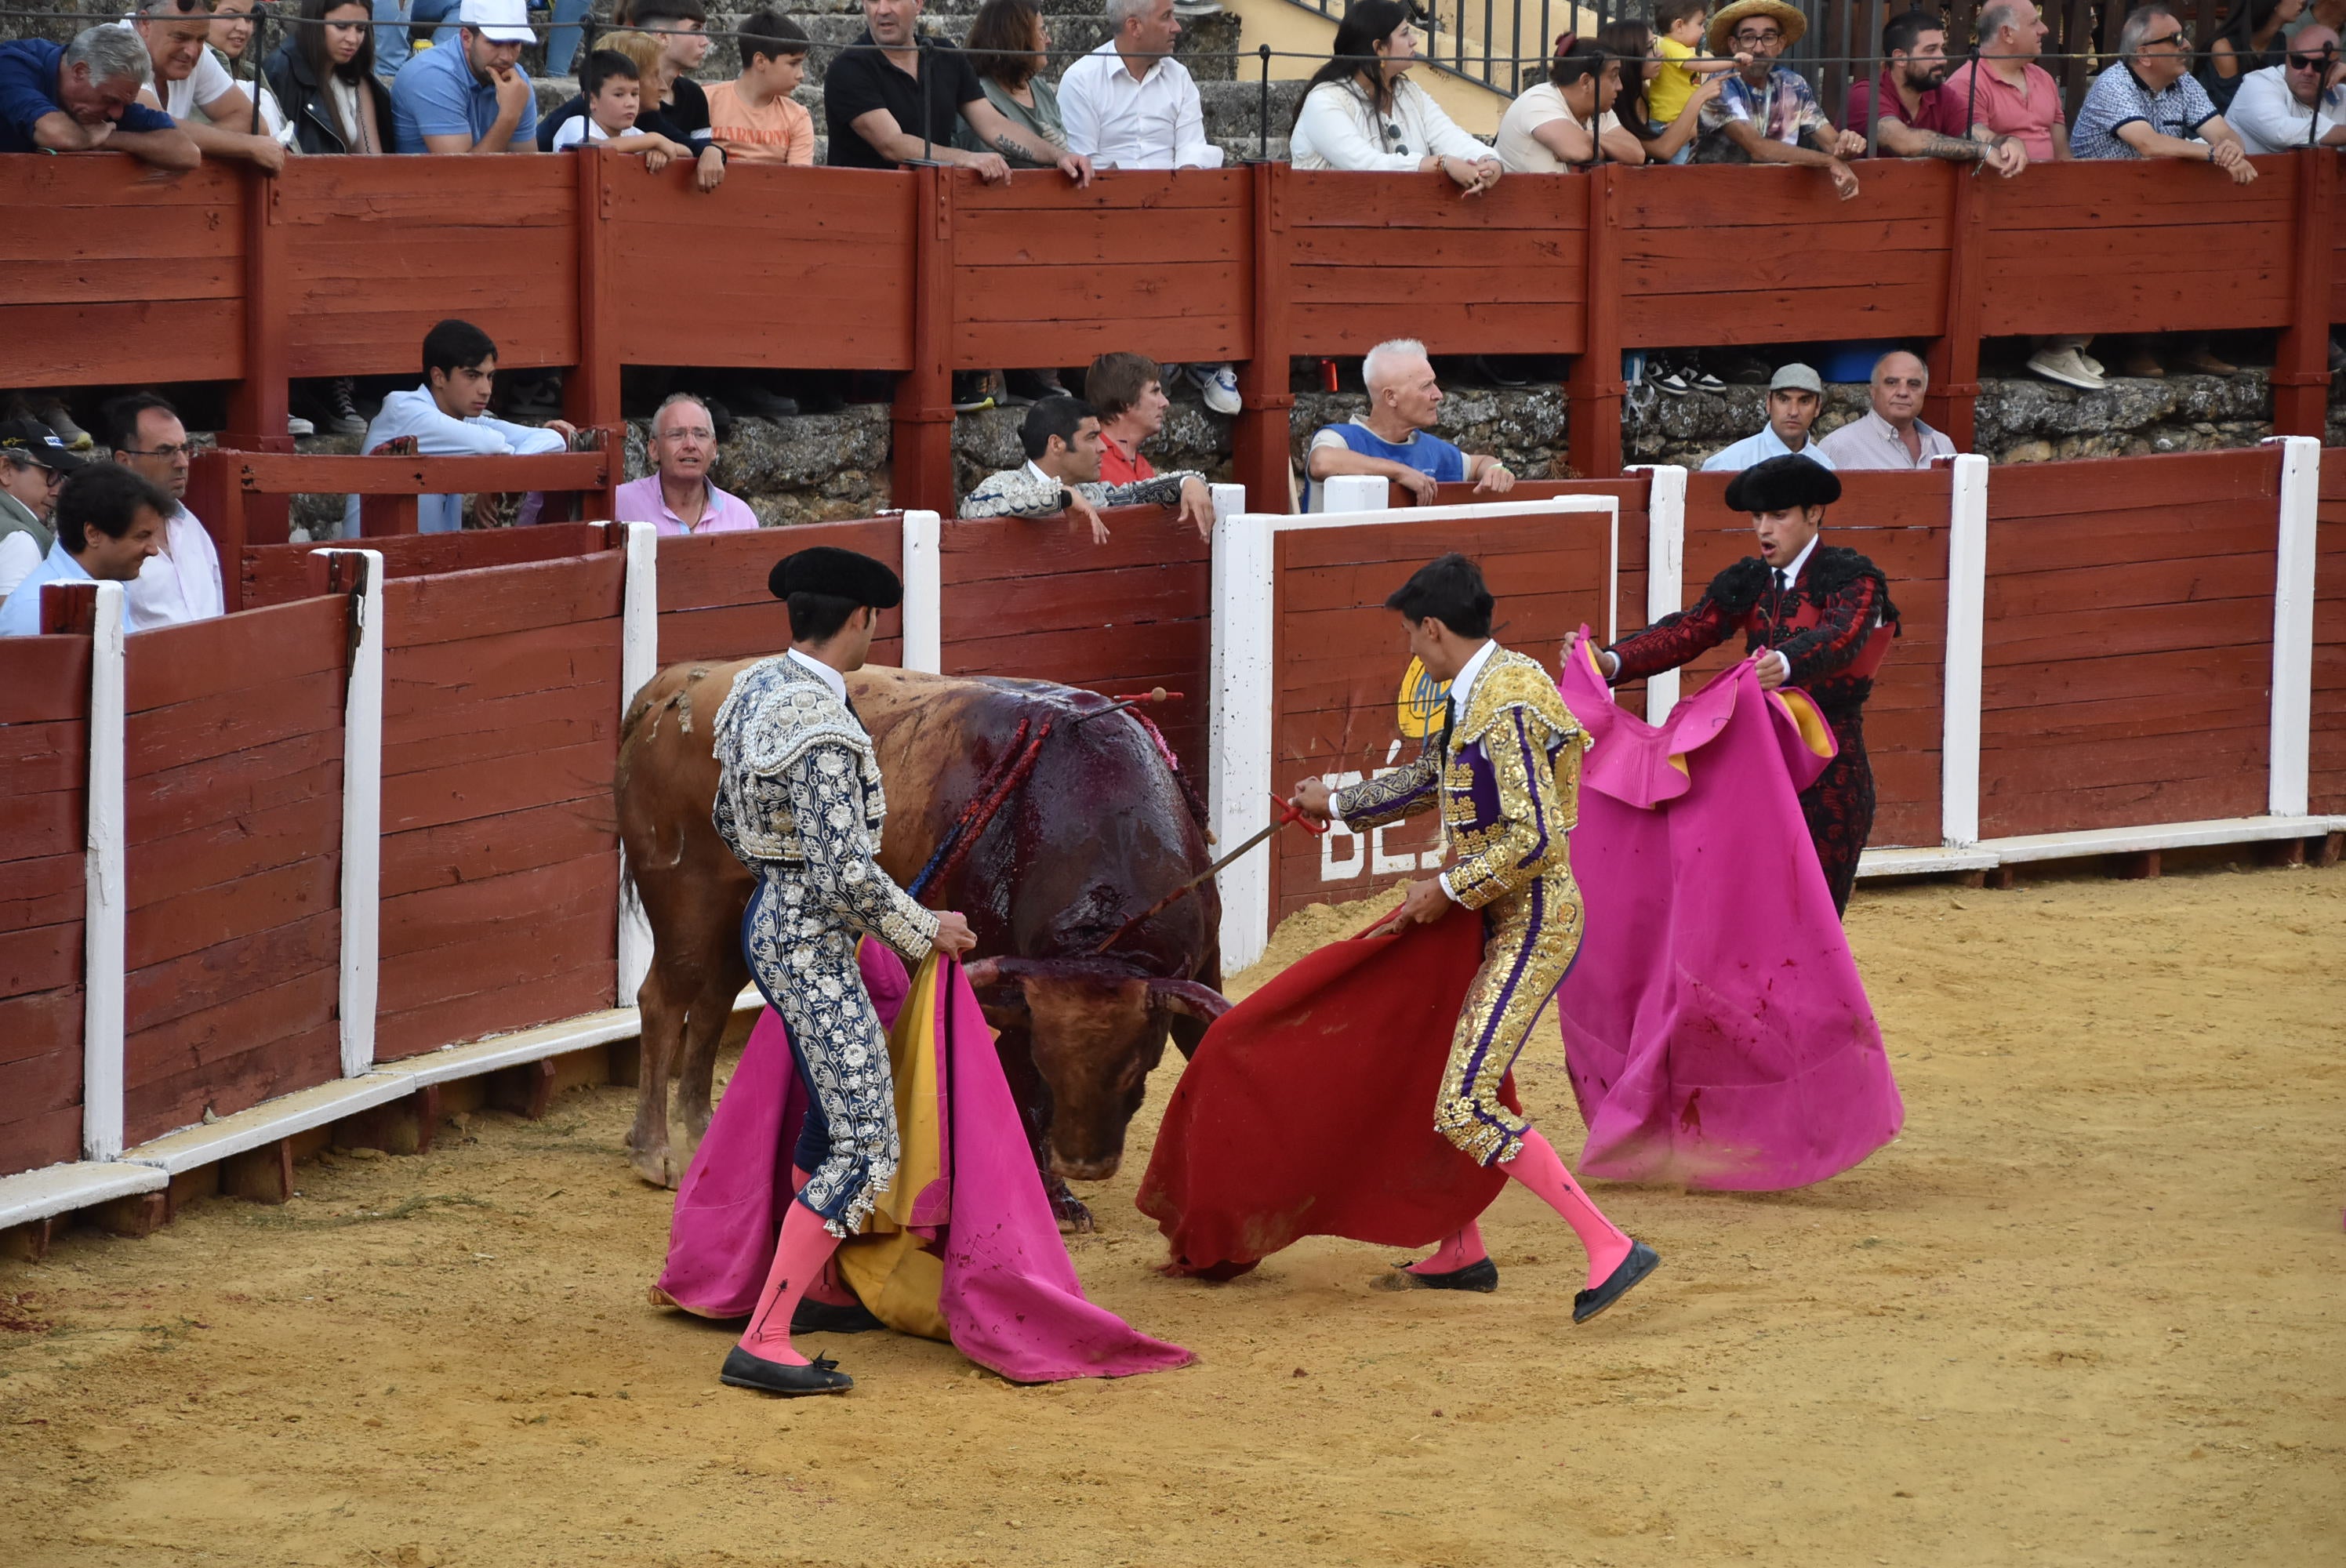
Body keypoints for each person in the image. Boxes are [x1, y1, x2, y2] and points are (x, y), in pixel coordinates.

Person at [1284, 554, 1661, 1319]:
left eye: (1411, 639)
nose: (1410, 654)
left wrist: (1445, 887)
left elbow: (1532, 838)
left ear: (1432, 628)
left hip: (1532, 917)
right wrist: (1339, 802)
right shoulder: (1481, 688)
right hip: (1488, 912)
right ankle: (1461, 1246)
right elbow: (1432, 777)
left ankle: (1610, 1245)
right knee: (1433, 1068)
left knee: (1462, 1101)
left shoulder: (1508, 700)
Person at [710, 546, 979, 1396]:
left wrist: (776, 870)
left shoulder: (755, 689)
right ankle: (767, 1333)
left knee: (835, 1120)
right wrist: (921, 928)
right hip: (810, 936)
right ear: (860, 620)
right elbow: (841, 873)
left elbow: (728, 814)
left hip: (776, 916)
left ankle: (816, 1289)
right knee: (865, 1142)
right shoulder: (822, 726)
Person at [1581, 456, 1897, 915]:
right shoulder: (1750, 581)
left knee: (1814, 916)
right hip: (1755, 772)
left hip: (1830, 771)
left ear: (1814, 514)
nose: (1764, 529)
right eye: (1757, 517)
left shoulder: (1853, 578)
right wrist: (1611, 661)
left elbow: (1844, 636)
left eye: (1779, 516)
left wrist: (1787, 663)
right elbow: (1688, 631)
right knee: (1744, 911)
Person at [1058, 0, 1237, 415]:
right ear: (1134, 26)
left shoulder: (1179, 76)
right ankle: (1169, 367)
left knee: (1228, 226)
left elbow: (1192, 145)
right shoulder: (1082, 78)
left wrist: (1183, 182)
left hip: (1173, 210)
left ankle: (1208, 364)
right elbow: (1083, 163)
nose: (1177, 27)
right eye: (1167, 18)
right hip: (1105, 217)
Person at [1943, 2, 2099, 390]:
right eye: (2036, 23)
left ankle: (2067, 346)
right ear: (2007, 34)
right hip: (1999, 210)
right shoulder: (1967, 83)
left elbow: (2061, 153)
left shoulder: (2043, 78)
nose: (2046, 29)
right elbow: (1974, 140)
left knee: (2107, 240)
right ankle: (2059, 347)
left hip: (2050, 204)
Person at [341, 318, 578, 537]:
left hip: (423, 568)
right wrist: (496, 476)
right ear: (439, 377)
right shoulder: (405, 410)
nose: (486, 389)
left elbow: (551, 440)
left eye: (490, 377)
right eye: (472, 376)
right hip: (372, 573)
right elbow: (490, 444)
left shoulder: (467, 419)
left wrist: (499, 479)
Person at [823, 0, 1091, 185]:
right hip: (863, 211)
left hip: (933, 204)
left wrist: (1059, 156)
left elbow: (994, 124)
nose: (882, 10)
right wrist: (966, 159)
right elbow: (892, 143)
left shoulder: (945, 56)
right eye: (872, 1)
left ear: (918, 3)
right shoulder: (849, 68)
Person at [1290, 0, 1501, 196]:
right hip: (1326, 228)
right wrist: (1441, 162)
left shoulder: (1409, 94)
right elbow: (1366, 166)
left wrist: (1489, 162)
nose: (1414, 41)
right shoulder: (1325, 101)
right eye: (1405, 34)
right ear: (1379, 48)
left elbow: (1452, 138)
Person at [959, 395, 1214, 542]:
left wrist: (1187, 482)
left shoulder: (1092, 493)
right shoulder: (1007, 483)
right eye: (1092, 438)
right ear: (1056, 444)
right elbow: (975, 506)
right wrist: (1062, 497)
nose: (1103, 448)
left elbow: (1139, 492)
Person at [1306, 339, 1515, 510]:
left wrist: (1496, 468)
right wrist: (1400, 472)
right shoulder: (1340, 438)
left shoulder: (1432, 449)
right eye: (1426, 386)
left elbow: (1480, 464)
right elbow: (1322, 463)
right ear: (1390, 397)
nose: (1438, 395)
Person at [1693, 0, 1865, 199]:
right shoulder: (1721, 84)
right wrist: (1829, 161)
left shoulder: (1793, 84)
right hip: (1720, 196)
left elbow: (1832, 143)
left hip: (1781, 197)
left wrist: (1847, 144)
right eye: (1749, 38)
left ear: (1781, 44)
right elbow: (1759, 149)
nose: (1758, 48)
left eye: (1768, 37)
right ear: (1734, 45)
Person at [0, 465, 172, 639]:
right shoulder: (35, 609)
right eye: (142, 536)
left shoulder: (112, 578)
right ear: (93, 534)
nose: (153, 550)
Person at [1845, 9, 2025, 173]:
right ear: (1900, 58)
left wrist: (2009, 142)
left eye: (1942, 48)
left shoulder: (1943, 95)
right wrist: (1981, 150)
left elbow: (1979, 134)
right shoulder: (1866, 94)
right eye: (1930, 50)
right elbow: (1903, 142)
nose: (1942, 59)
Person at [122, 0, 288, 173]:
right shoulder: (122, 47)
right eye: (180, 37)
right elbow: (151, 123)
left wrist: (185, 139)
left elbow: (252, 122)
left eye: (201, 39)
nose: (192, 51)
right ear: (145, 23)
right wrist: (247, 145)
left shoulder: (191, 48)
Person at [102, 393, 223, 627]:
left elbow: (216, 612)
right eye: (165, 452)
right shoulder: (100, 538)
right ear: (124, 461)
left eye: (185, 449)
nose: (182, 463)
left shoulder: (191, 525)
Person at [0, 24, 198, 167]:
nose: (117, 114)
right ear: (79, 72)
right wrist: (89, 137)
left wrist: (108, 139)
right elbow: (56, 134)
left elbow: (187, 152)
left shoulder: (113, 96)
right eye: (111, 100)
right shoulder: (12, 65)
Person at [391, 0, 540, 155]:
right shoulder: (432, 76)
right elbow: (461, 174)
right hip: (426, 178)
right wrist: (509, 116)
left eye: (515, 43)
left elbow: (528, 170)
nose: (507, 56)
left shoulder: (516, 80)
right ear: (466, 38)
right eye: (496, 43)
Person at [1495, 34, 1643, 172]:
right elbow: (1579, 151)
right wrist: (1606, 148)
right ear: (1586, 82)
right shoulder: (1539, 101)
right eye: (1614, 76)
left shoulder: (1600, 111)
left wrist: (1590, 135)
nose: (1620, 86)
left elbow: (1637, 154)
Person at [615, 394, 759, 535]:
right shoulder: (620, 504)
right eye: (677, 434)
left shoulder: (741, 517)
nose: (690, 445)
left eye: (700, 435)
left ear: (714, 448)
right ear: (654, 449)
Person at [267, 0, 390, 156]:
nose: (352, 39)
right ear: (315, 20)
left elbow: (372, 160)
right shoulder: (281, 70)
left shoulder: (357, 79)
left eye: (361, 29)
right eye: (341, 27)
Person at [1600, 17, 1723, 170]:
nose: (1660, 53)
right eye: (1650, 48)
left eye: (1655, 45)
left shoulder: (1643, 92)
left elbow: (1691, 134)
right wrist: (1699, 97)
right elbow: (1663, 150)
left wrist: (1688, 129)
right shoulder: (1613, 104)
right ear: (1630, 55)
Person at [955, 0, 1067, 167]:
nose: (1049, 40)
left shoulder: (1041, 89)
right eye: (1042, 31)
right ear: (1017, 37)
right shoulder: (979, 95)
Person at [548, 49, 695, 171]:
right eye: (619, 95)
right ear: (592, 100)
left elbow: (686, 152)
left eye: (635, 94)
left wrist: (657, 149)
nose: (631, 103)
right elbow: (592, 148)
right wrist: (654, 139)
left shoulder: (632, 134)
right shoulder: (578, 125)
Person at [705, 9, 815, 166]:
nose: (801, 74)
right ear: (761, 61)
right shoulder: (707, 101)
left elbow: (797, 182)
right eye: (793, 64)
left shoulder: (797, 117)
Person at [1814, 350, 1957, 470]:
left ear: (1924, 393)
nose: (1903, 392)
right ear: (1873, 391)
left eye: (1913, 384)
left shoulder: (1942, 445)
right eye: (1892, 383)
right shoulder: (1838, 447)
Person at [1645, 0, 1747, 162]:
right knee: (1676, 170)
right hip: (1668, 123)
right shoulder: (1671, 47)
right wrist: (1734, 61)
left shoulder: (1674, 47)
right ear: (1679, 26)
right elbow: (1701, 65)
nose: (1703, 31)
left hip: (1677, 121)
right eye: (1700, 24)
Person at [2227, 21, 2346, 151]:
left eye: (2319, 65)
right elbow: (2281, 133)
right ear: (2287, 58)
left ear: (2336, 66)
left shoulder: (2342, 92)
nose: (2308, 72)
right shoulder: (2259, 82)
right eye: (2299, 61)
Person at [0, 419, 81, 604]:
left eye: (62, 477)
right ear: (6, 470)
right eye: (51, 475)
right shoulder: (18, 540)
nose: (58, 490)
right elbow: (15, 630)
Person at [1701, 363, 1837, 472]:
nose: (1793, 412)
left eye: (1804, 401)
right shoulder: (1729, 464)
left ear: (1817, 407)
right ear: (1769, 403)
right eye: (1784, 400)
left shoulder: (1826, 467)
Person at [201, 0, 296, 147]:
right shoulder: (188, 69)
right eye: (231, 15)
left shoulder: (252, 73)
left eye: (249, 18)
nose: (243, 28)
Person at [2201, 0, 2308, 111]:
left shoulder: (2285, 44)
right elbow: (2238, 106)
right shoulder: (2224, 48)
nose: (2302, 1)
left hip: (2269, 121)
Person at [1085, 351, 1167, 486]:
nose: (1165, 402)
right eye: (1155, 391)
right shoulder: (1088, 464)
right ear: (1126, 402)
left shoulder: (1142, 465)